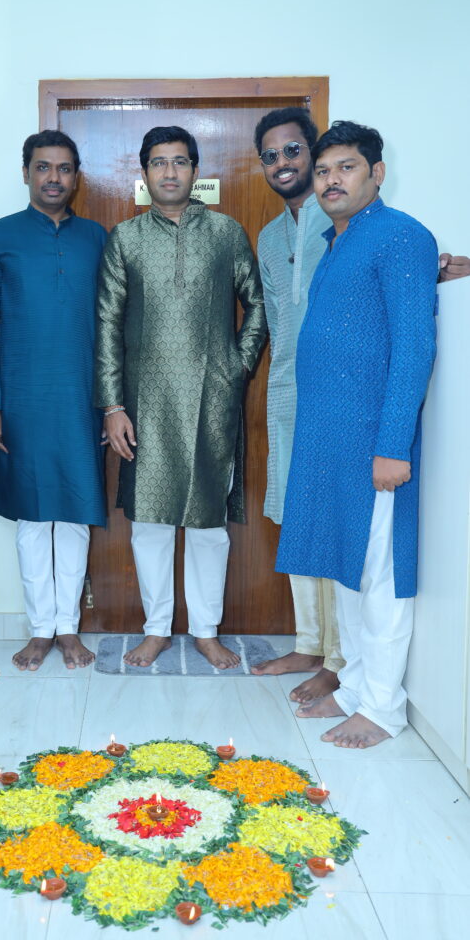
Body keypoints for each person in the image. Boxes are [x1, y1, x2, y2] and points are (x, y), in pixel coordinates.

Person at [276, 120, 438, 748]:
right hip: (327, 439)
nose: (330, 180)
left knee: (379, 576)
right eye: (323, 171)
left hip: (373, 441)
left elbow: (414, 347)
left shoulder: (401, 236)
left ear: (377, 173)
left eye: (346, 167)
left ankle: (382, 708)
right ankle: (352, 688)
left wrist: (393, 444)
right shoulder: (337, 241)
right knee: (345, 569)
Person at [96, 126, 267, 669]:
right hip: (143, 405)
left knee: (208, 524)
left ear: (195, 170)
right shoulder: (125, 238)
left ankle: (206, 631)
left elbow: (257, 305)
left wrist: (237, 366)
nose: (169, 172)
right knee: (149, 523)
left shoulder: (226, 233)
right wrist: (113, 406)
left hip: (212, 401)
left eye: (179, 162)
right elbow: (107, 324)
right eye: (158, 162)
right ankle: (155, 630)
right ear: (144, 173)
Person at [0, 130, 107, 671]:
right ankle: (39, 630)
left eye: (64, 168)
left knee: (74, 512)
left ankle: (68, 628)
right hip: (22, 396)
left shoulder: (97, 237)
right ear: (26, 172)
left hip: (80, 395)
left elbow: (111, 323)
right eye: (43, 167)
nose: (54, 178)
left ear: (76, 176)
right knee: (32, 516)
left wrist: (111, 400)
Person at [249, 108, 344, 703]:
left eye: (292, 150)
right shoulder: (269, 237)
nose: (282, 163)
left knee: (331, 517)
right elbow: (272, 320)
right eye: (271, 155)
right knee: (296, 516)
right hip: (287, 391)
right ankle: (309, 644)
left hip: (336, 394)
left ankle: (338, 658)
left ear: (313, 152)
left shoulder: (342, 219)